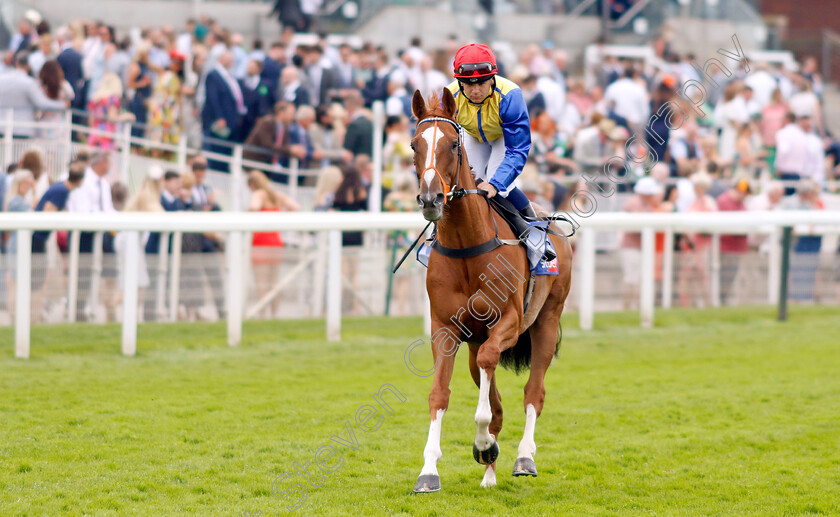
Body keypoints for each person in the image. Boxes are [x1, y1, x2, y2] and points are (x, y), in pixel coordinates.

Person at [446, 43, 539, 239]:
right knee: (464, 187)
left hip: (503, 138)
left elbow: (518, 149)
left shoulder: (511, 95)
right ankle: (436, 238)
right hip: (471, 135)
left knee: (500, 188)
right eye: (469, 84)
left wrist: (495, 184)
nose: (476, 90)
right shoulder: (448, 95)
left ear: (493, 78)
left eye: (482, 82)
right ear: (459, 82)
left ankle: (536, 235)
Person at [247, 169, 300, 318]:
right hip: (276, 243)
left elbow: (254, 207)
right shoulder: (277, 196)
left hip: (260, 242)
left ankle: (262, 315)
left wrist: (248, 212)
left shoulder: (258, 194)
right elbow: (296, 207)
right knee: (274, 282)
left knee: (261, 283)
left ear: (252, 185)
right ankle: (274, 314)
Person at [0, 52, 68, 139]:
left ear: (16, 63)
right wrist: (63, 105)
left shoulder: (2, 80)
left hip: (2, 126)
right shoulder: (29, 83)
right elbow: (41, 103)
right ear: (28, 66)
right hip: (23, 129)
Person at [716, 179, 752, 305]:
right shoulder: (724, 201)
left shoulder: (741, 204)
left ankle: (723, 301)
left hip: (736, 249)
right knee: (724, 278)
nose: (744, 196)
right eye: (742, 192)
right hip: (726, 248)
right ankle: (720, 302)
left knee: (729, 278)